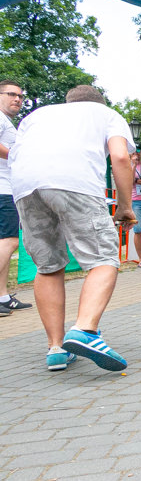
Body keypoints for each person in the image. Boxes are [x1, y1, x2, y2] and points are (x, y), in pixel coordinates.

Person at [10, 85, 135, 371]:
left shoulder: (37, 115)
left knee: (48, 265)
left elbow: (16, 153)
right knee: (103, 258)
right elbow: (120, 157)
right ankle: (85, 330)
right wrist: (125, 207)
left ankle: (56, 348)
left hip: (25, 186)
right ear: (99, 102)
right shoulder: (107, 114)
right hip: (74, 183)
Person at [0, 79, 31, 316]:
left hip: (9, 187)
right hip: (3, 189)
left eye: (20, 96)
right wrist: (17, 157)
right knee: (10, 242)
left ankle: (3, 297)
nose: (17, 99)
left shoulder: (7, 122)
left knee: (5, 244)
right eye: (11, 94)